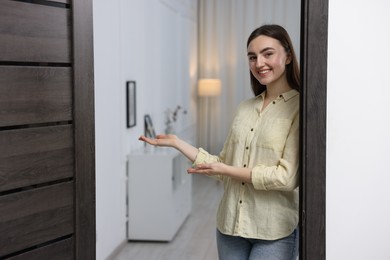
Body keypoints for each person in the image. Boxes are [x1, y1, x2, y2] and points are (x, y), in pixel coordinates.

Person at [139, 24, 300, 260]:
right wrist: (177, 143)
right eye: (252, 57)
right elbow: (223, 165)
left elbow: (286, 178)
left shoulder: (300, 108)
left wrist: (226, 169)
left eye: (268, 54)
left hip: (274, 231)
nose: (259, 63)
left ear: (287, 56)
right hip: (229, 228)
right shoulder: (245, 109)